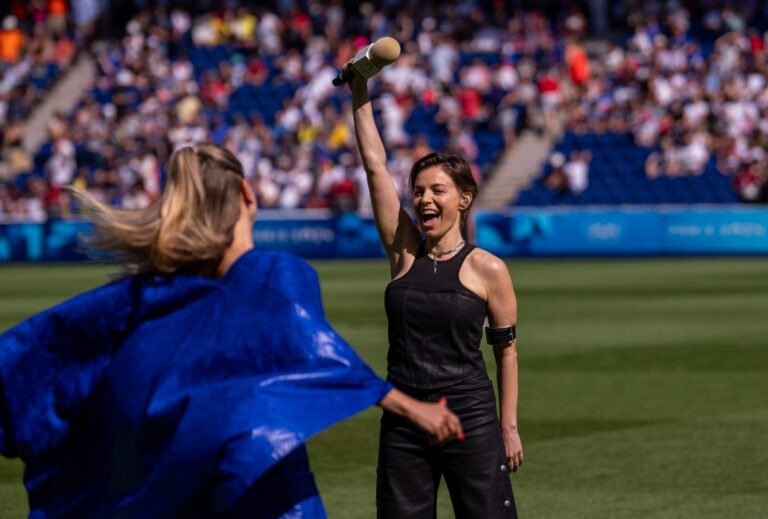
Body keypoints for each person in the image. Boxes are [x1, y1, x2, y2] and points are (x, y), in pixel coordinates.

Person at [0, 144, 462, 518]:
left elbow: (30, 356)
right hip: (257, 476)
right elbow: (316, 345)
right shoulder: (271, 274)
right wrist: (413, 409)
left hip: (167, 486)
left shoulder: (141, 296)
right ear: (247, 193)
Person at [347, 67, 523, 518]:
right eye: (418, 191)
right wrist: (360, 90)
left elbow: (506, 353)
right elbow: (373, 164)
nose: (425, 199)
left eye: (438, 190)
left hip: (471, 417)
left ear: (464, 198)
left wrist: (508, 427)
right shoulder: (404, 252)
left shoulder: (489, 269)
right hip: (405, 419)